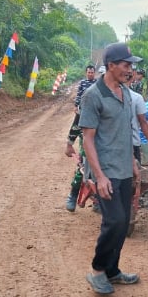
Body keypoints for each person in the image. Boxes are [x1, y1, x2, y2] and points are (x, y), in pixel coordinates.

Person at [79, 42, 143, 295]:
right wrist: (99, 176)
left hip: (124, 169)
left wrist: (133, 163)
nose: (130, 69)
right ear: (112, 65)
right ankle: (97, 270)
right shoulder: (93, 95)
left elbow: (125, 132)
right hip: (105, 171)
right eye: (126, 64)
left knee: (123, 221)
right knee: (113, 220)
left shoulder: (126, 93)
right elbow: (88, 139)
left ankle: (113, 270)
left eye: (131, 65)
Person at [64, 65, 98, 212]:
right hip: (88, 143)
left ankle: (98, 201)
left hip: (103, 145)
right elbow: (76, 125)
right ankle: (73, 194)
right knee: (83, 168)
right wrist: (69, 143)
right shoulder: (84, 110)